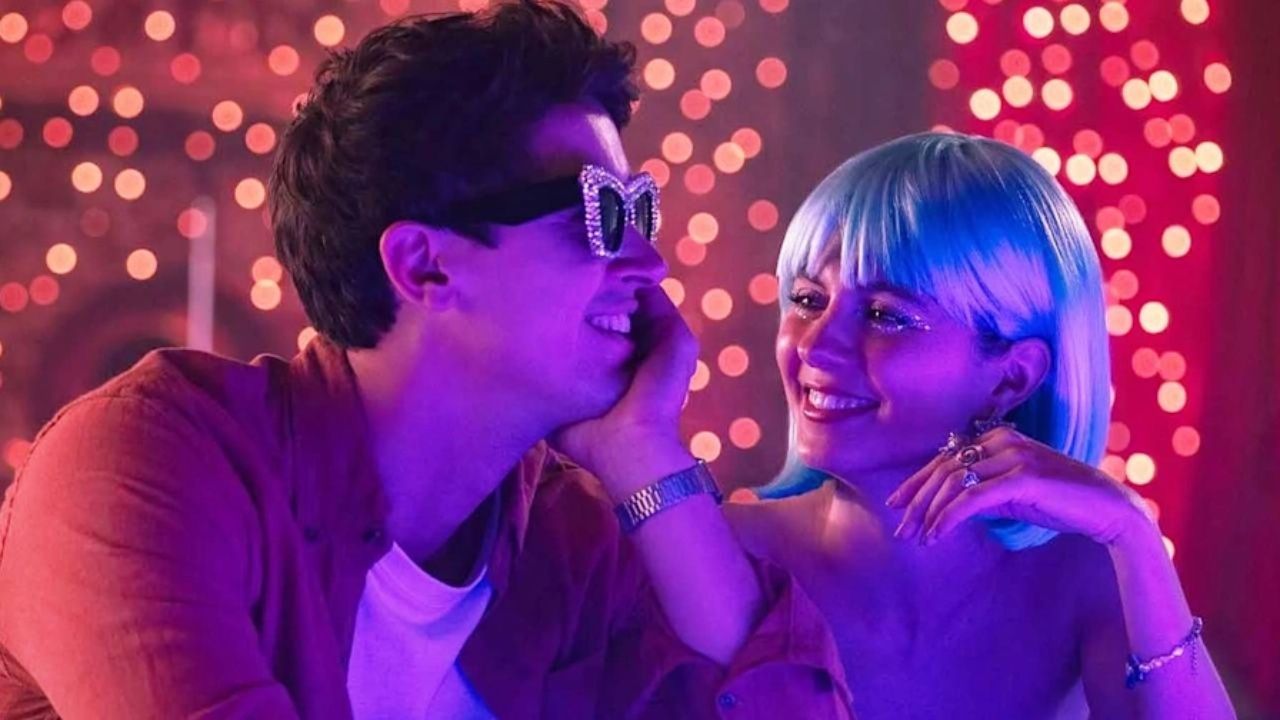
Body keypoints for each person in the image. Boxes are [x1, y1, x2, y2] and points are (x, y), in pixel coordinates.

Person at [0, 3, 850, 718]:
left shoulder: (570, 540)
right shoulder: (147, 467)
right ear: (424, 266)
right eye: (596, 215)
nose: (649, 264)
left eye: (640, 213)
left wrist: (646, 456)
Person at [725, 132, 1236, 718]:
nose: (815, 347)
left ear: (1011, 379)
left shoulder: (1085, 578)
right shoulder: (727, 551)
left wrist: (1132, 530)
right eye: (808, 300)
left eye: (883, 314)